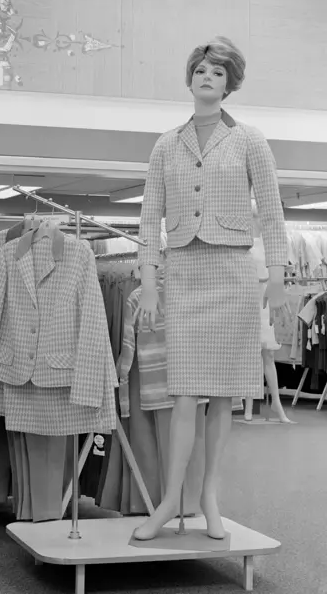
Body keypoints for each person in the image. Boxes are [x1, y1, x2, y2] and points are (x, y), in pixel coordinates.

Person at [133, 36, 291, 541]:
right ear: (190, 78)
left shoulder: (250, 140)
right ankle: (168, 503)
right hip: (184, 274)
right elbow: (149, 218)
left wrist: (281, 277)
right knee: (183, 393)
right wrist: (150, 284)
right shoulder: (165, 145)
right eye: (201, 70)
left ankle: (210, 496)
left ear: (230, 84)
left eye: (218, 73)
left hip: (233, 276)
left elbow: (271, 211)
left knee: (222, 394)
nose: (208, 77)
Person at [245, 202, 294, 423]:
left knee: (268, 353)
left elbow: (277, 271)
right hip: (248, 298)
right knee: (249, 353)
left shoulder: (271, 243)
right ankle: (248, 404)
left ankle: (276, 402)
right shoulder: (245, 242)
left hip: (265, 298)